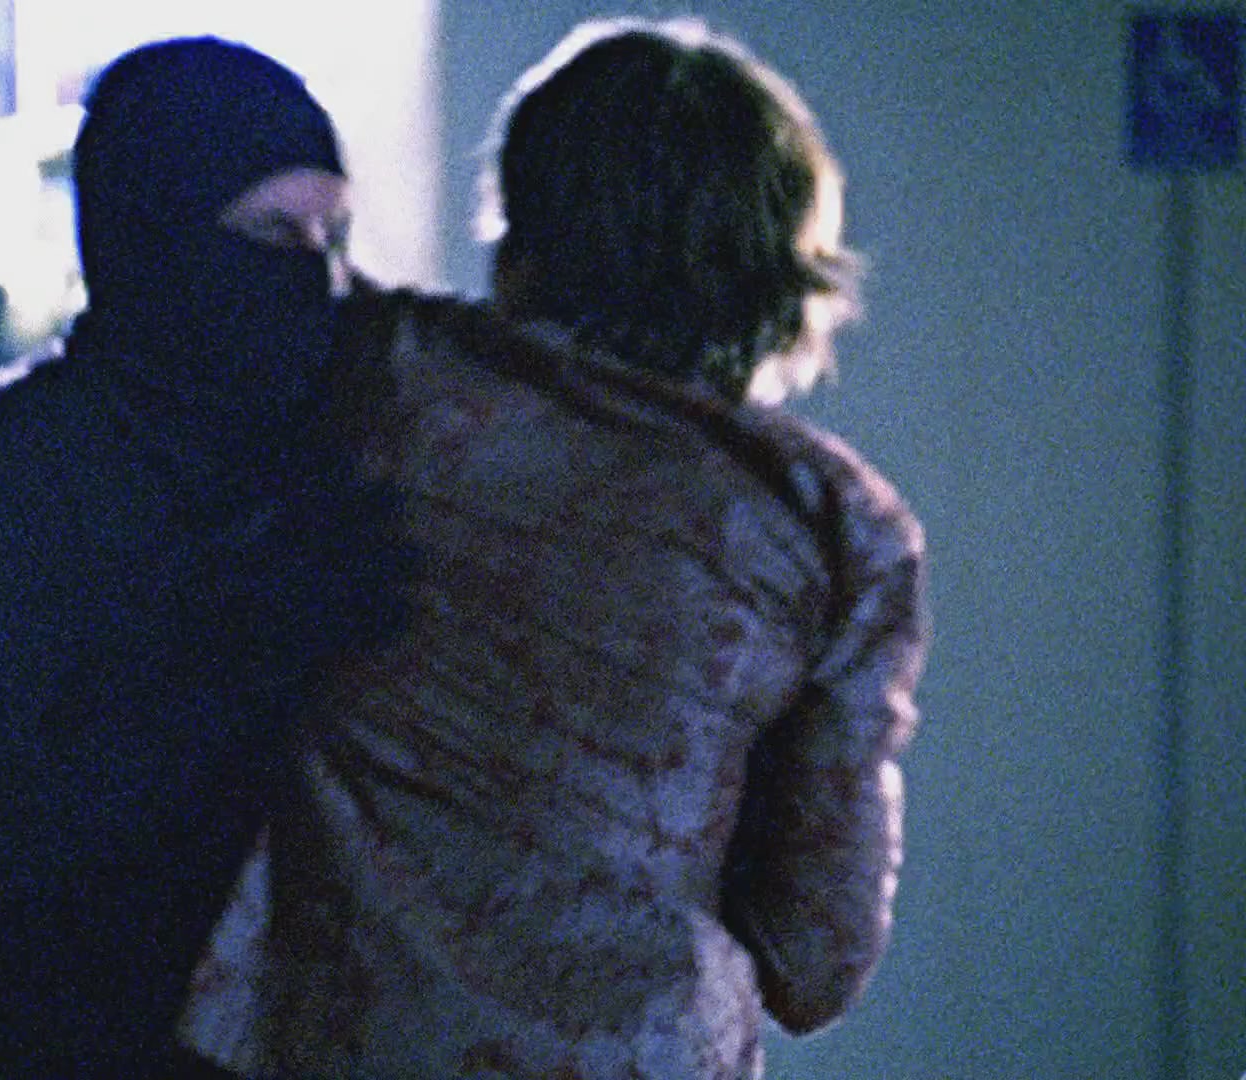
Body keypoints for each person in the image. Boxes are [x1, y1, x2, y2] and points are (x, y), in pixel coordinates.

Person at [180, 17, 931, 1080]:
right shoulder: (831, 527)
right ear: (780, 273)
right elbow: (816, 959)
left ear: (524, 225)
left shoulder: (376, 375)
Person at [0, 37, 404, 1080]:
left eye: (333, 234)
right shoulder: (9, 474)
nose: (315, 277)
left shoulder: (347, 456)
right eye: (271, 231)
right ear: (155, 230)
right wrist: (229, 666)